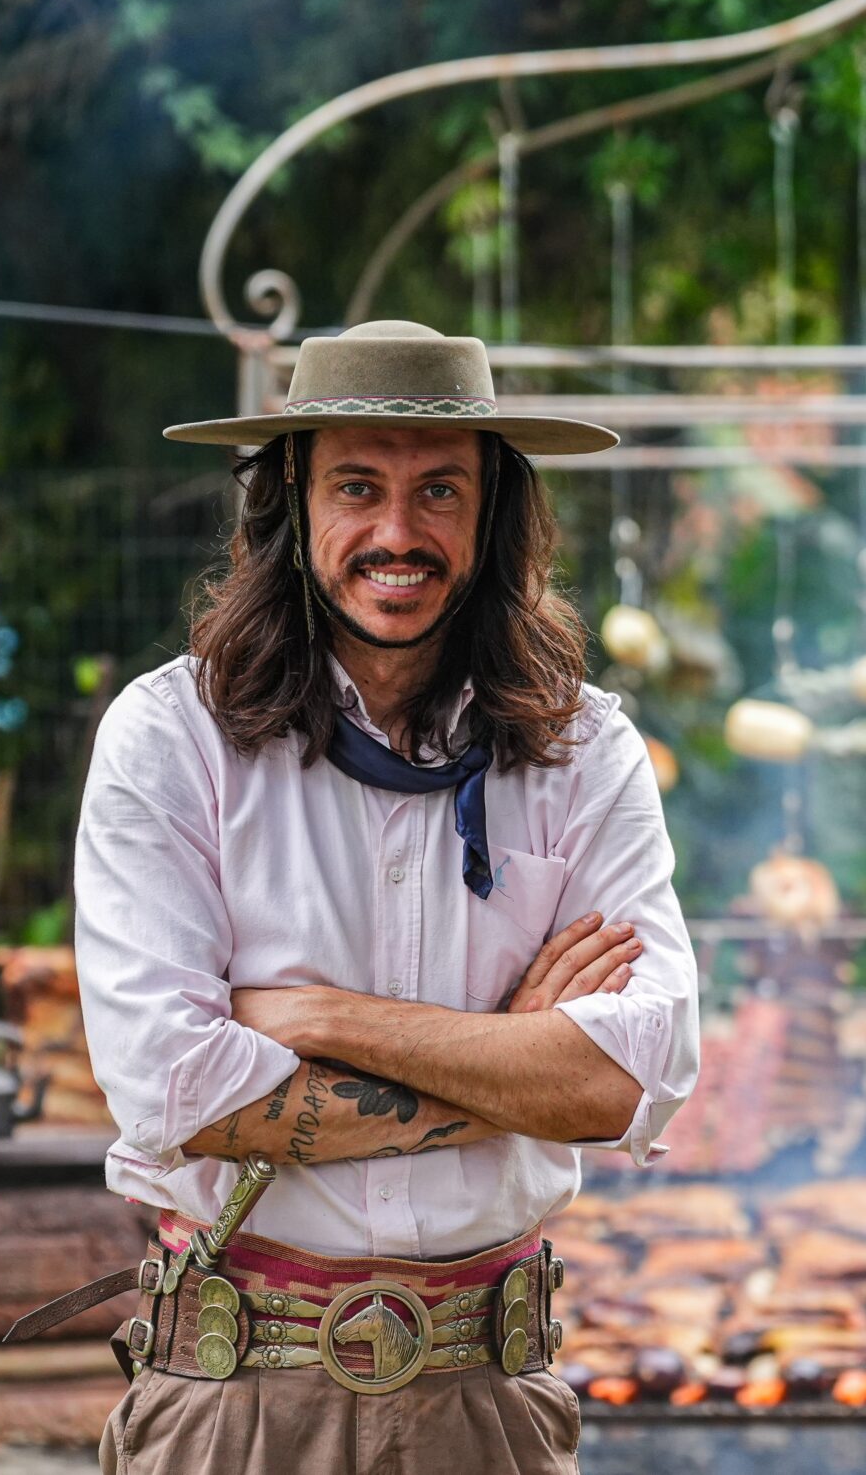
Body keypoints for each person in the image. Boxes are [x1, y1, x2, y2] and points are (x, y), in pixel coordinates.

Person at [38, 320, 697, 1473]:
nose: (398, 533)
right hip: (237, 1394)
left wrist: (325, 1017)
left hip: (485, 1399)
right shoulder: (173, 740)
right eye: (358, 485)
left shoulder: (581, 751)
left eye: (439, 489)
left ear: (495, 510)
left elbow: (633, 1071)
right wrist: (512, 1061)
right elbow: (176, 1086)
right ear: (293, 501)